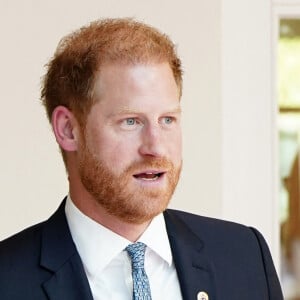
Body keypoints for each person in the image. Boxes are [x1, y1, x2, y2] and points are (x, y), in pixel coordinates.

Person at [0, 18, 283, 300]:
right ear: (68, 129)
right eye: (131, 121)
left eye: (167, 119)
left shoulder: (245, 257)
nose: (156, 147)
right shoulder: (8, 279)